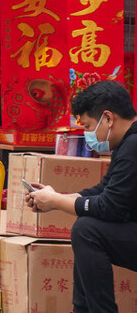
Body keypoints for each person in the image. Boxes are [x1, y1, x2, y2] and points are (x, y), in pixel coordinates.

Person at [27, 80, 137, 313]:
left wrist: (56, 201)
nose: (87, 134)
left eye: (88, 126)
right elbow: (104, 189)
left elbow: (110, 207)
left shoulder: (133, 146)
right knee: (87, 226)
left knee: (87, 230)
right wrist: (53, 198)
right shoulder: (127, 143)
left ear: (108, 118)